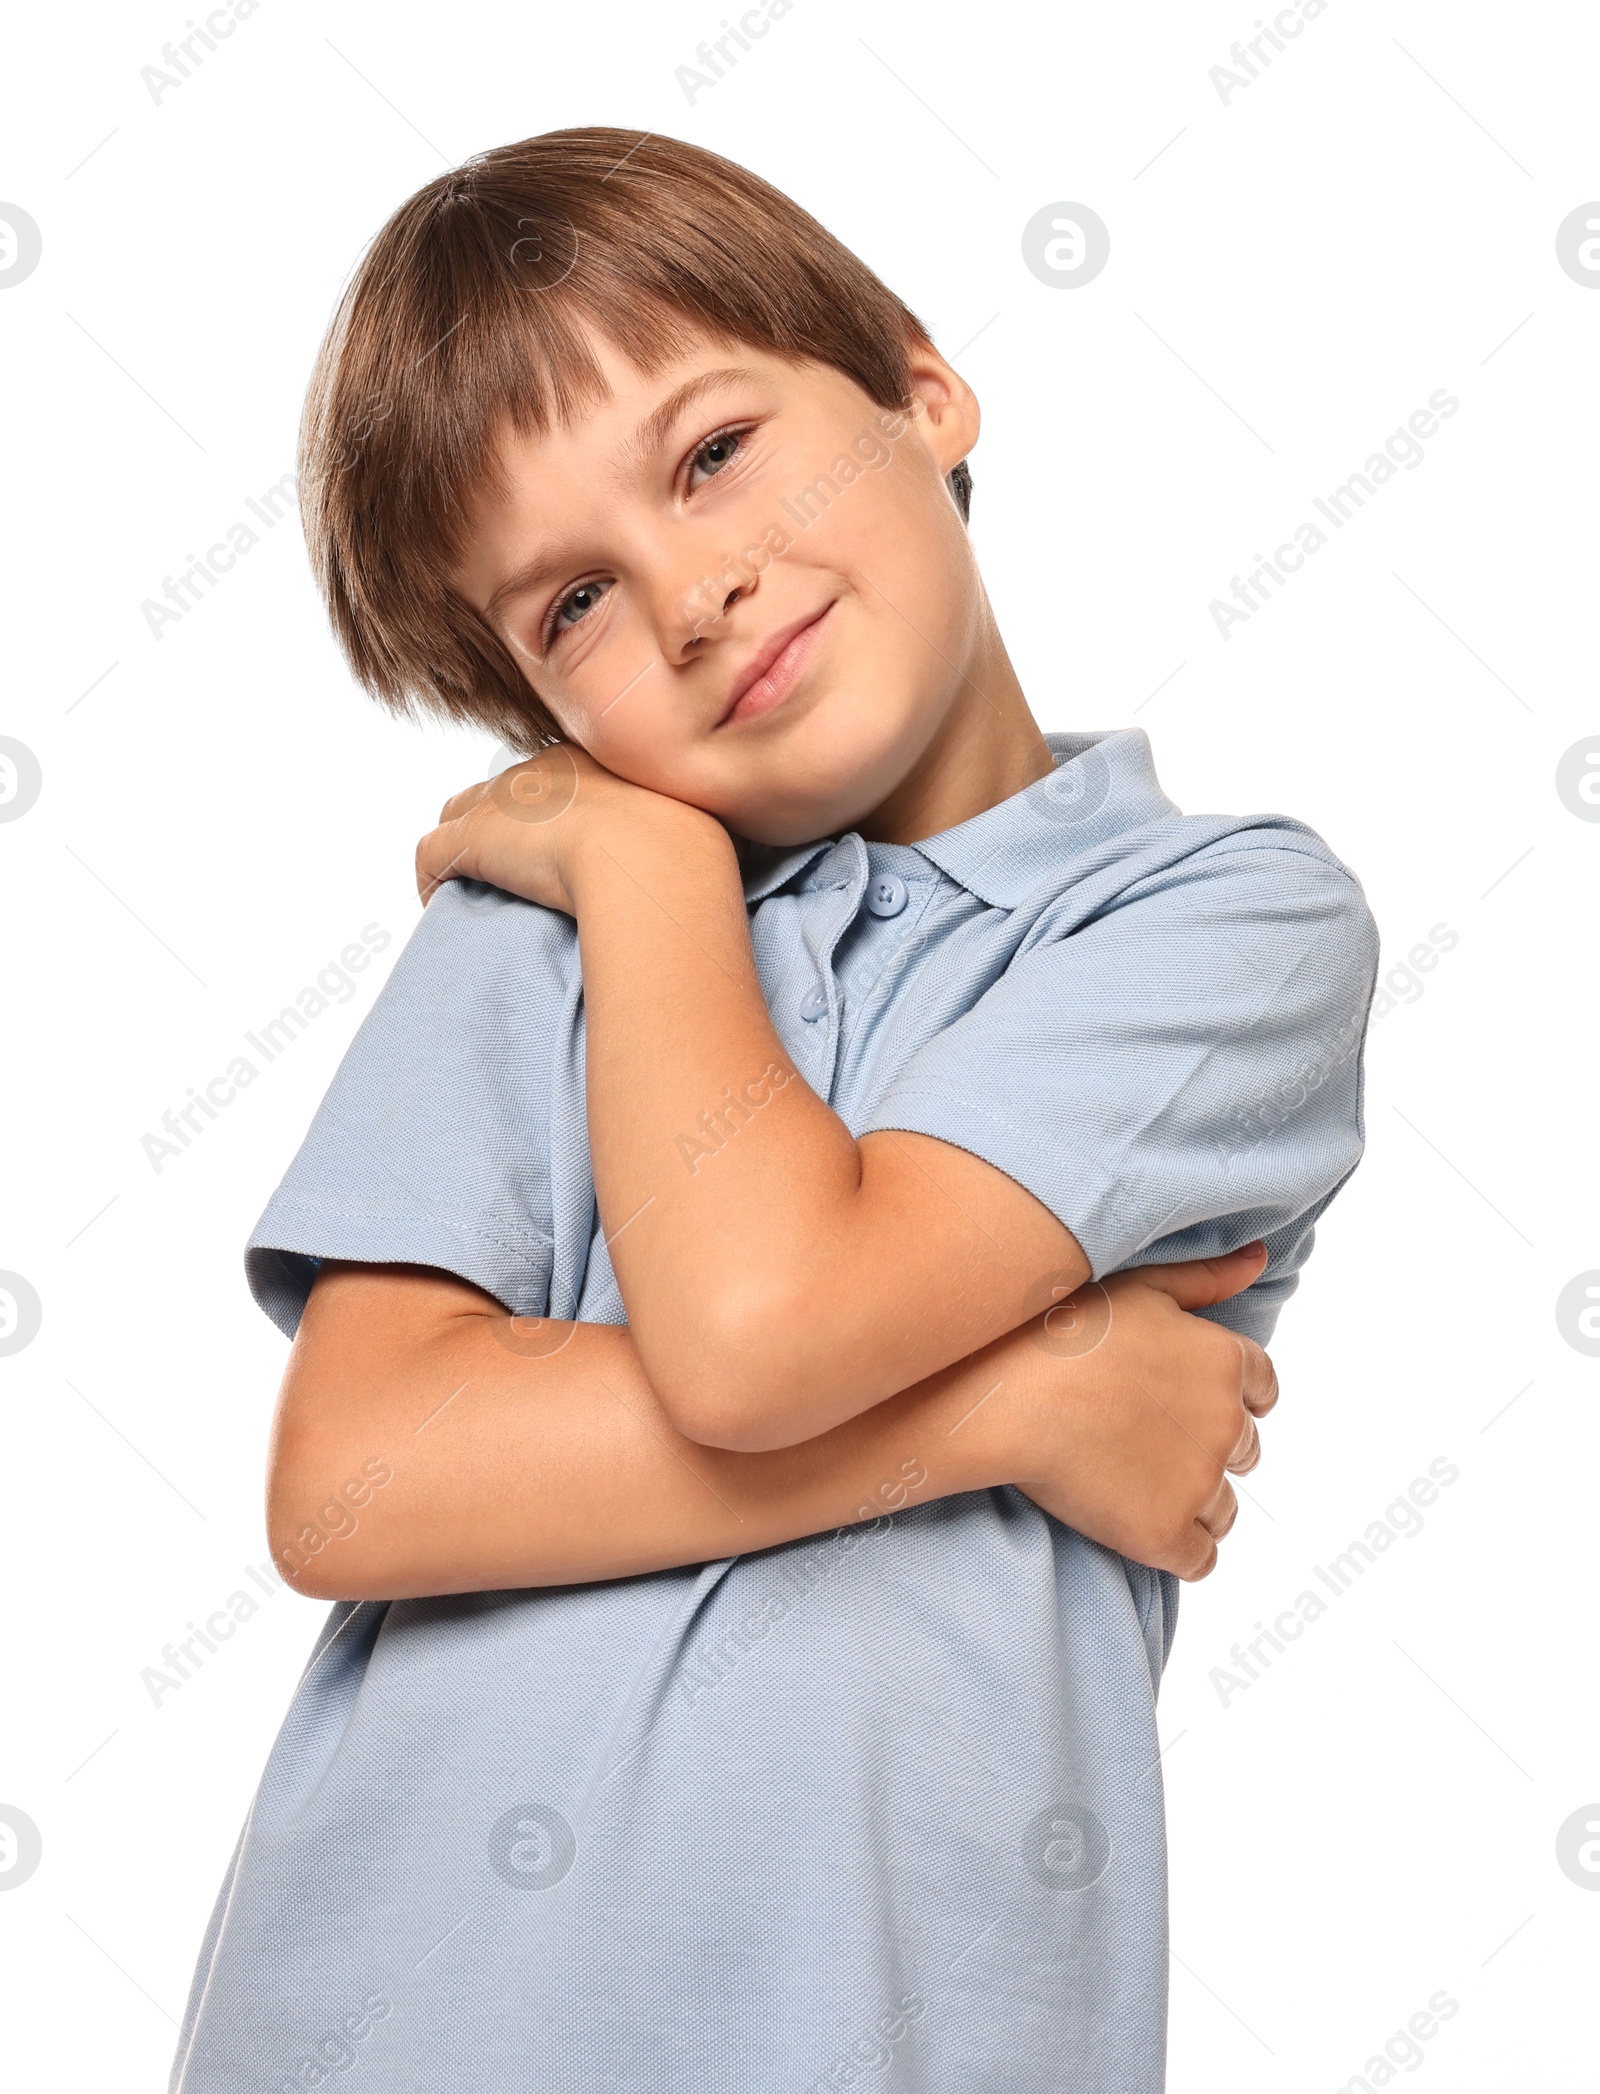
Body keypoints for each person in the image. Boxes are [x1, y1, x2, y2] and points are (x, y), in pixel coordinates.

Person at [168, 128, 1377, 2094]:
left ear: (916, 379)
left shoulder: (1213, 923)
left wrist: (641, 891)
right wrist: (1005, 1407)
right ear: (534, 707)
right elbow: (354, 1480)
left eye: (713, 453)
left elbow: (759, 1324)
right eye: (571, 604)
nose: (697, 597)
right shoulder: (535, 929)